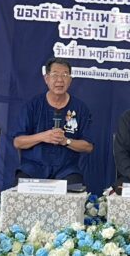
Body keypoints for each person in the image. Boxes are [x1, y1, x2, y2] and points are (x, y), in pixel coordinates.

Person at [13, 58, 93, 186]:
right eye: (55, 75)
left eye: (65, 75)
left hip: (66, 170)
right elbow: (18, 142)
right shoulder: (32, 106)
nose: (60, 80)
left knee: (75, 188)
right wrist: (43, 136)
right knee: (19, 189)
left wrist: (65, 141)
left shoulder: (80, 108)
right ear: (46, 79)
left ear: (70, 80)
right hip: (33, 168)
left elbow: (88, 146)